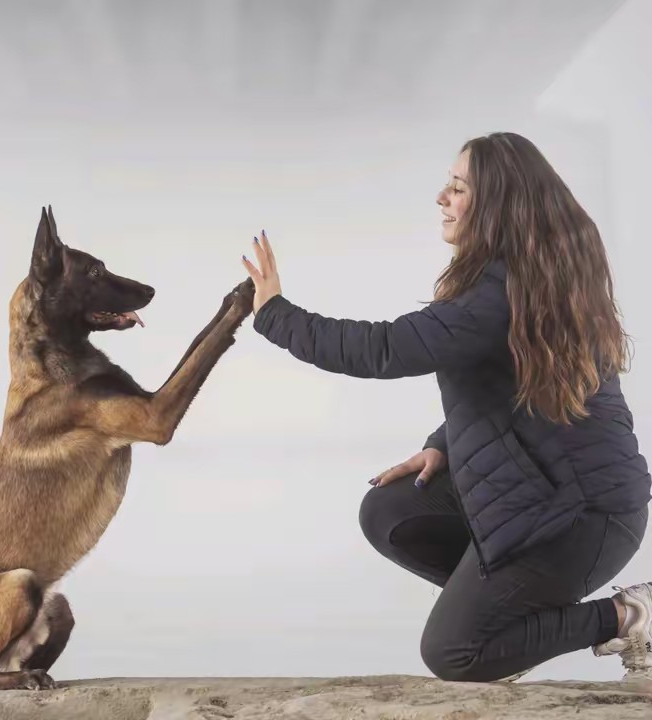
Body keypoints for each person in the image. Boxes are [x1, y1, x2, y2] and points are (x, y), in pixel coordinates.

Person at [240, 132, 652, 683]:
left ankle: (629, 616)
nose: (442, 197)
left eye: (458, 188)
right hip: (545, 491)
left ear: (497, 205)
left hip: (581, 518)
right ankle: (506, 628)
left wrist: (274, 312)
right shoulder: (527, 279)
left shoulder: (500, 295)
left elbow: (383, 348)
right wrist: (443, 444)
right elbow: (505, 390)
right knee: (390, 511)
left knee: (455, 653)